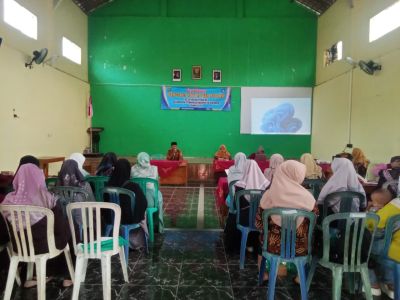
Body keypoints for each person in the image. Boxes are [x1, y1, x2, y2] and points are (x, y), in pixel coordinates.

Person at [1, 164, 72, 287]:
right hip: (44, 247)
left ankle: (34, 275)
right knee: (66, 231)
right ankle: (65, 276)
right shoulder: (47, 198)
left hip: (20, 248)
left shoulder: (7, 200)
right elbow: (59, 228)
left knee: (44, 233)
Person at [257, 160, 318, 282]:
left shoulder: (268, 195)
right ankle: (300, 277)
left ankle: (263, 274)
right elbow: (314, 223)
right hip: (300, 247)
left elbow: (259, 224)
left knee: (260, 240)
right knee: (311, 238)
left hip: (272, 247)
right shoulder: (308, 197)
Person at [224, 160, 269, 252]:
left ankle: (236, 246)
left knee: (233, 216)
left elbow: (234, 206)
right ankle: (255, 245)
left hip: (243, 220)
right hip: (259, 220)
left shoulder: (240, 187)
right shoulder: (265, 187)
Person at [107, 159, 148, 249]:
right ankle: (136, 240)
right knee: (144, 211)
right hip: (129, 219)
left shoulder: (107, 186)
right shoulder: (134, 186)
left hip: (111, 218)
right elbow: (144, 203)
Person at [367, 196, 400, 298]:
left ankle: (373, 285)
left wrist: (371, 212)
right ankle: (390, 284)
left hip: (395, 252)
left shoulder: (397, 204)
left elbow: (372, 224)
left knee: (361, 243)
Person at [131, 152, 164, 233]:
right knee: (158, 195)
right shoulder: (154, 169)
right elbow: (157, 185)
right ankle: (156, 225)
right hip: (150, 202)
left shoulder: (133, 169)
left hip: (136, 201)